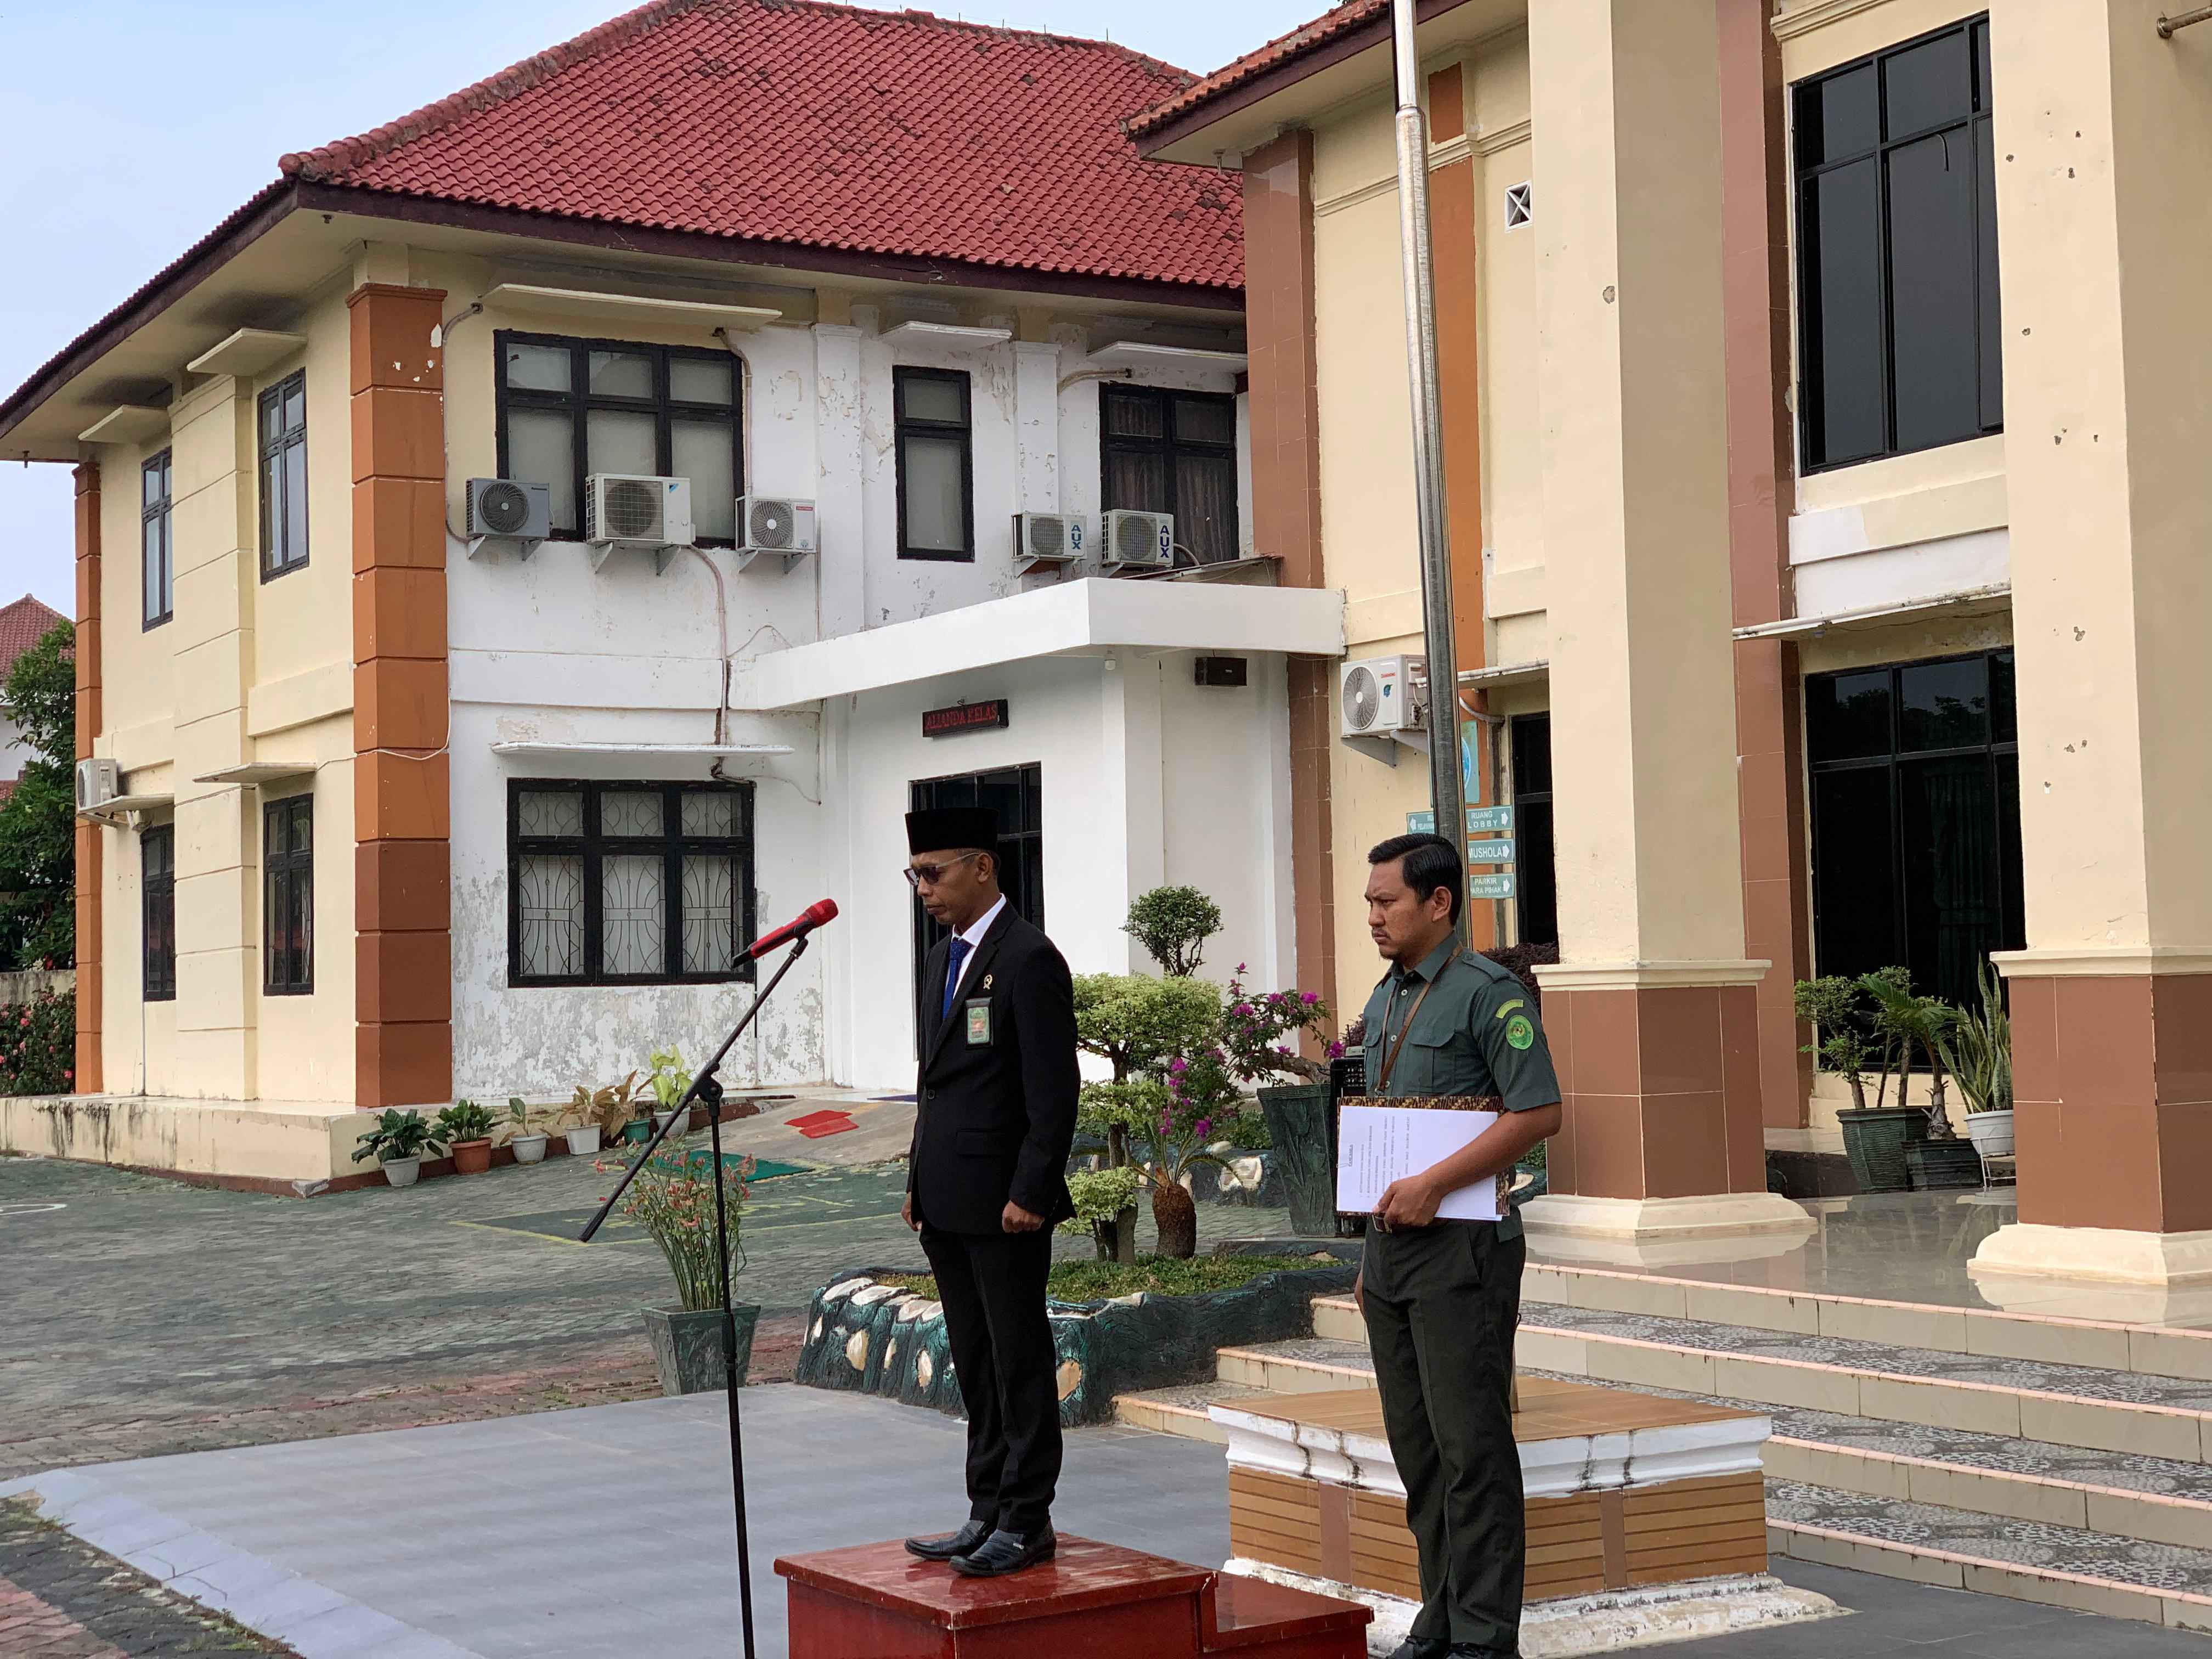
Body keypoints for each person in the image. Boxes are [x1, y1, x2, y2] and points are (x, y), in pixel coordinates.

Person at [1354, 832, 1562, 1659]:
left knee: (1472, 1448)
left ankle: (1483, 1637)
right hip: (1393, 1253)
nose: (1374, 916)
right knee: (1419, 1450)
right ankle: (1438, 1619)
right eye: (1370, 902)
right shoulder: (1387, 998)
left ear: (1438, 902)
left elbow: (1537, 1112)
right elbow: (1382, 1130)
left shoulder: (1488, 994)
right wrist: (1368, 1261)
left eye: (1387, 902)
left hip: (1464, 1251)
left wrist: (1437, 1184)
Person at [898, 805, 1080, 1578]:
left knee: (1018, 1360)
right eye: (915, 875)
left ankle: (1027, 1517)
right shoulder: (943, 958)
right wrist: (917, 1178)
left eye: (933, 873)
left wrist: (1032, 1189)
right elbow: (934, 1085)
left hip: (1006, 1203)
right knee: (974, 1361)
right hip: (947, 1197)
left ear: (983, 867)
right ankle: (985, 1509)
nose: (923, 889)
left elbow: (1054, 1091)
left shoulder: (1029, 957)